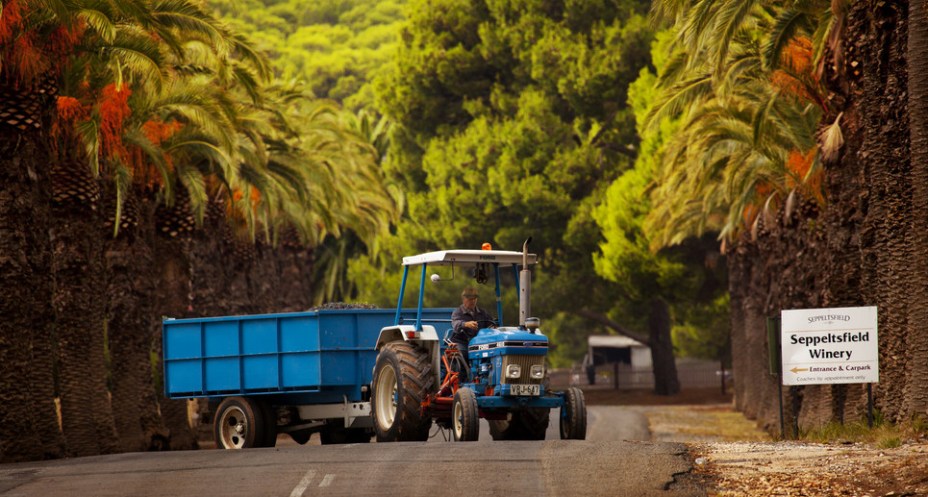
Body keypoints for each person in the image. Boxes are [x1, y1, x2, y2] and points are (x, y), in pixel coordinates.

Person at [449, 287, 494, 353]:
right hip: (462, 342)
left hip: (480, 342)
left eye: (474, 299)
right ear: (463, 299)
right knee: (460, 352)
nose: (472, 301)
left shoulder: (483, 312)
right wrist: (466, 324)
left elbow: (491, 323)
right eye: (470, 299)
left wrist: (493, 327)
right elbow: (456, 324)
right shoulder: (457, 312)